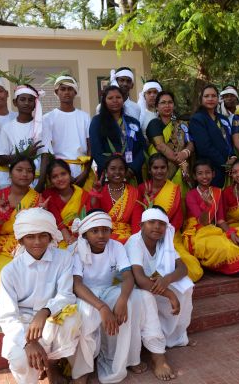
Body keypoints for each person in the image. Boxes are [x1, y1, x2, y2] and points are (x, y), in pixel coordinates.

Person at [69, 211, 167, 384]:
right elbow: (77, 285)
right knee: (87, 314)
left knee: (137, 300)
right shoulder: (77, 250)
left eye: (105, 230)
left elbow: (128, 276)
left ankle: (130, 359)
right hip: (85, 293)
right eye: (95, 231)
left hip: (108, 289)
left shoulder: (116, 246)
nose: (101, 235)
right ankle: (82, 371)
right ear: (85, 233)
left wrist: (122, 300)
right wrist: (103, 307)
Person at [0, 207, 81, 384]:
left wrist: (44, 311)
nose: (37, 242)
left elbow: (66, 295)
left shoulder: (63, 258)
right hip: (23, 323)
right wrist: (27, 342)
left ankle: (51, 365)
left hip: (52, 316)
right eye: (30, 237)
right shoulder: (9, 271)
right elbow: (7, 316)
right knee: (19, 358)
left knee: (73, 320)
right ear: (21, 240)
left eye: (43, 235)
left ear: (51, 236)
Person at [126, 207, 194, 379]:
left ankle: (174, 337)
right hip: (134, 288)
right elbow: (140, 279)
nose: (157, 227)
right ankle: (157, 356)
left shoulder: (165, 242)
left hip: (157, 284)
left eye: (162, 224)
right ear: (141, 225)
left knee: (186, 287)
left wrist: (167, 280)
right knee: (148, 297)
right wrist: (169, 293)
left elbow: (183, 268)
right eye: (151, 222)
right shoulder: (134, 242)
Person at [182, 160, 239, 274]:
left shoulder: (218, 192)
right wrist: (207, 206)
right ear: (195, 176)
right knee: (225, 248)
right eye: (200, 173)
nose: (204, 176)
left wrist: (231, 233)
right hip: (197, 232)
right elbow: (203, 221)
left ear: (213, 174)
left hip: (214, 230)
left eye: (207, 173)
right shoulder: (191, 195)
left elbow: (221, 220)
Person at [132, 154, 204, 282]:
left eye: (162, 167)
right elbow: (138, 217)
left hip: (170, 236)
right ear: (150, 170)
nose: (159, 171)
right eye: (155, 168)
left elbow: (178, 217)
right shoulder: (142, 188)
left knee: (194, 270)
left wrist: (164, 235)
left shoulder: (175, 188)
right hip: (147, 237)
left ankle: (165, 277)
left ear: (167, 168)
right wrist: (147, 200)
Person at [0, 155, 45, 277]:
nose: (24, 174)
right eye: (19, 170)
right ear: (10, 174)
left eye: (29, 171)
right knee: (5, 272)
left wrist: (43, 215)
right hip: (0, 251)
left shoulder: (38, 199)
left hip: (30, 248)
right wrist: (0, 218)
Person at [0, 83, 53, 192]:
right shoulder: (7, 128)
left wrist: (40, 184)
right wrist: (24, 154)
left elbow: (46, 156)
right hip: (16, 183)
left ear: (35, 103)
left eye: (30, 100)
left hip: (37, 182)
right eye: (22, 99)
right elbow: (1, 160)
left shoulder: (42, 126)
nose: (26, 103)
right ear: (15, 102)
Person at [42, 76, 94, 190]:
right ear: (57, 92)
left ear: (75, 92)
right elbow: (47, 151)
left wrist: (85, 173)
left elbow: (91, 147)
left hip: (81, 169)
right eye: (63, 89)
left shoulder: (84, 117)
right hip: (58, 171)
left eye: (70, 89)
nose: (66, 92)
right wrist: (62, 174)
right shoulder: (48, 118)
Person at [89, 86, 146, 183]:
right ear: (104, 101)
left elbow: (142, 148)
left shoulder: (133, 122)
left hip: (132, 174)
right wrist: (113, 171)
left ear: (123, 99)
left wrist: (132, 169)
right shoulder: (97, 121)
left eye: (118, 97)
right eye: (110, 98)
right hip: (108, 175)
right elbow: (96, 151)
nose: (115, 100)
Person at [146, 91, 194, 192]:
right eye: (163, 103)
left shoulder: (182, 125)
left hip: (180, 174)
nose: (167, 105)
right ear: (156, 107)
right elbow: (160, 146)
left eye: (170, 102)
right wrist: (182, 163)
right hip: (160, 171)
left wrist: (185, 153)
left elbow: (190, 143)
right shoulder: (154, 124)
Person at [189, 85, 235, 188]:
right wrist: (224, 164)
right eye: (206, 96)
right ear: (201, 99)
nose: (210, 99)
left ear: (218, 99)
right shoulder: (197, 119)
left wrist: (233, 157)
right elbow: (204, 147)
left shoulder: (223, 118)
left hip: (229, 168)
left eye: (213, 96)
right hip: (210, 170)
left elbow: (229, 140)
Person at [41, 159, 92, 249]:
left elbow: (86, 219)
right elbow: (57, 220)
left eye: (63, 174)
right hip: (58, 236)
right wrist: (68, 239)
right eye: (55, 176)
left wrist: (76, 237)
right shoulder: (47, 195)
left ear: (69, 174)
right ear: (50, 180)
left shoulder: (83, 194)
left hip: (82, 234)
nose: (60, 179)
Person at [90, 155, 139, 244]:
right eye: (112, 168)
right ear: (106, 172)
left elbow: (136, 222)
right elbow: (93, 215)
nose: (117, 172)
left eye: (121, 169)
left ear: (125, 172)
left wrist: (136, 241)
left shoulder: (134, 192)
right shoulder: (100, 190)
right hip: (103, 237)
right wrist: (95, 193)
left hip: (128, 239)